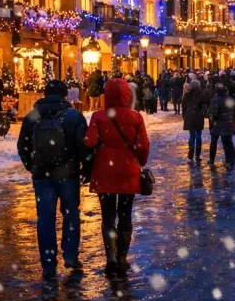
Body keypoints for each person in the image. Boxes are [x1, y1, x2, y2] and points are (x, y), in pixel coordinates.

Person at [17, 80, 89, 280]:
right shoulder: (74, 116)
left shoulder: (32, 116)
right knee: (71, 215)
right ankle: (71, 256)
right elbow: (84, 145)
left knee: (45, 219)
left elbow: (22, 145)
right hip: (67, 174)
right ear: (65, 95)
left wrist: (32, 166)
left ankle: (48, 264)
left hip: (42, 176)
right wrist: (86, 168)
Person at [83, 77, 149, 276]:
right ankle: (122, 258)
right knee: (125, 214)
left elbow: (89, 141)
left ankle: (110, 257)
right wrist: (140, 163)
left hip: (105, 172)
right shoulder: (135, 117)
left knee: (108, 216)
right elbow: (143, 147)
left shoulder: (98, 116)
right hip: (128, 171)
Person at [207, 84, 235, 168]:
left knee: (214, 142)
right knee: (228, 142)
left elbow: (213, 114)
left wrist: (212, 124)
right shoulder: (229, 99)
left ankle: (212, 159)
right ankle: (230, 160)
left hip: (218, 124)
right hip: (228, 124)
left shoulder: (214, 100)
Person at [181, 79, 209, 162]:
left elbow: (184, 106)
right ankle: (197, 154)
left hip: (189, 116)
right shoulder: (201, 95)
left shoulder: (187, 95)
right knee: (198, 136)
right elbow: (205, 105)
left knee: (192, 136)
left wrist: (185, 116)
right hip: (198, 117)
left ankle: (190, 153)